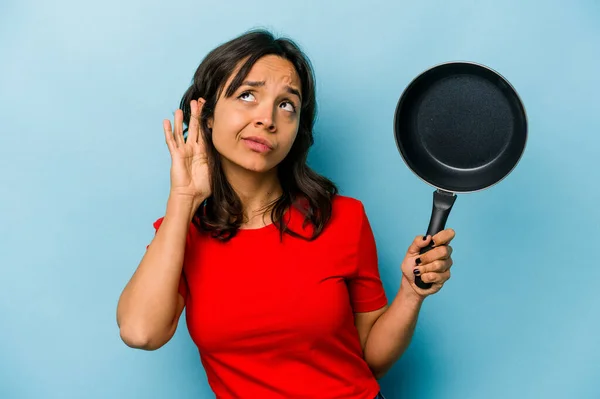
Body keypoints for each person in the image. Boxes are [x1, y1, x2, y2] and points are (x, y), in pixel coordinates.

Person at [116, 29, 455, 399]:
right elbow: (140, 332)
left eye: (286, 105)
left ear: (297, 129)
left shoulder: (344, 218)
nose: (267, 119)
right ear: (207, 114)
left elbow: (369, 360)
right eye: (248, 95)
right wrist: (183, 198)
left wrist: (410, 293)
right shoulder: (180, 233)